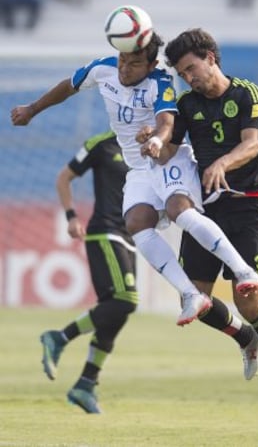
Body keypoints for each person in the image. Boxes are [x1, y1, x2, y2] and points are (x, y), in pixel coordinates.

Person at [11, 22, 258, 328]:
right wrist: (32, 109)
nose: (124, 69)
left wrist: (156, 139)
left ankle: (244, 271)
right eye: (122, 60)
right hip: (139, 167)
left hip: (169, 158)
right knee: (136, 222)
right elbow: (68, 86)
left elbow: (166, 122)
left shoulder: (162, 81)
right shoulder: (102, 69)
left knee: (177, 209)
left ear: (151, 65)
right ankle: (188, 294)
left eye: (134, 63)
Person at [161, 28, 258, 404]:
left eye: (191, 68)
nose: (189, 78)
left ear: (210, 58)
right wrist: (151, 142)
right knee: (196, 300)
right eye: (182, 74)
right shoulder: (187, 105)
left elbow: (252, 144)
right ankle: (244, 338)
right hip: (206, 211)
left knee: (247, 299)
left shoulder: (247, 93)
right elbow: (169, 150)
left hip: (248, 206)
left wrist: (222, 161)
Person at [40, 131, 137, 414]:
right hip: (104, 232)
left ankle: (85, 384)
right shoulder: (101, 144)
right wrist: (71, 217)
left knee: (115, 313)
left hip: (131, 236)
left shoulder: (152, 143)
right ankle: (60, 337)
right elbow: (64, 178)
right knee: (125, 301)